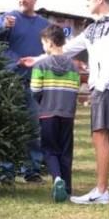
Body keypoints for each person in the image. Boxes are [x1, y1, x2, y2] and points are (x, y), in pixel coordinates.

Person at [21, 0, 109, 205]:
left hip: (105, 88)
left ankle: (101, 191)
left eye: (88, 0)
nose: (85, 5)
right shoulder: (94, 28)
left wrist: (101, 87)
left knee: (100, 137)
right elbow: (65, 49)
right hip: (106, 88)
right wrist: (38, 59)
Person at [0, 0, 49, 182]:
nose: (23, 0)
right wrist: (2, 27)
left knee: (34, 127)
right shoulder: (8, 19)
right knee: (8, 125)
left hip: (35, 81)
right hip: (10, 80)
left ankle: (31, 170)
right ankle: (5, 171)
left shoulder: (44, 25)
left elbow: (51, 51)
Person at [30, 25, 80, 202]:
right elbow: (75, 90)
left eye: (43, 43)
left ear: (50, 43)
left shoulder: (40, 65)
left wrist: (44, 102)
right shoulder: (74, 67)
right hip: (67, 114)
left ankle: (57, 178)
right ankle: (67, 187)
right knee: (66, 151)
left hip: (47, 114)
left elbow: (35, 90)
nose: (43, 46)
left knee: (50, 149)